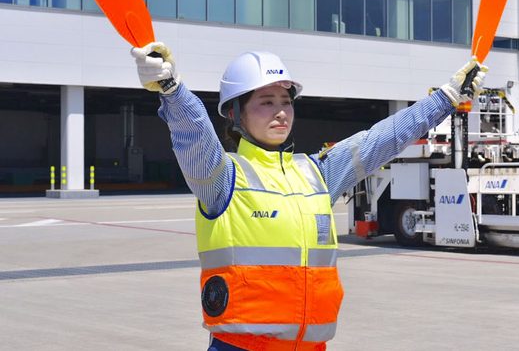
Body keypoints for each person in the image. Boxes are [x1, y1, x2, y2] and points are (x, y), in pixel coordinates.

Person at [131, 43, 487, 351]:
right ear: (234, 113)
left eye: (286, 101)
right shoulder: (222, 177)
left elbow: (381, 139)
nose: (281, 111)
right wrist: (172, 90)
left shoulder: (316, 173)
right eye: (265, 102)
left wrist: (445, 98)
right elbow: (194, 135)